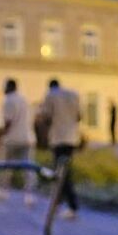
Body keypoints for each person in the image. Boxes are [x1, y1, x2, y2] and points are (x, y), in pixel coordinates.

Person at [38, 78, 82, 219]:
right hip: (71, 138)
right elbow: (79, 116)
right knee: (65, 171)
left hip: (58, 138)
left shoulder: (51, 95)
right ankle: (59, 203)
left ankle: (70, 205)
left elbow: (46, 117)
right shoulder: (73, 95)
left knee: (62, 173)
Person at [0, 78, 37, 205]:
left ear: (9, 87)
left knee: (6, 166)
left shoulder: (9, 100)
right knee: (28, 168)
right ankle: (29, 195)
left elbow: (8, 121)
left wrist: (1, 135)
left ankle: (3, 191)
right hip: (28, 138)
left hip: (12, 139)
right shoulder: (24, 100)